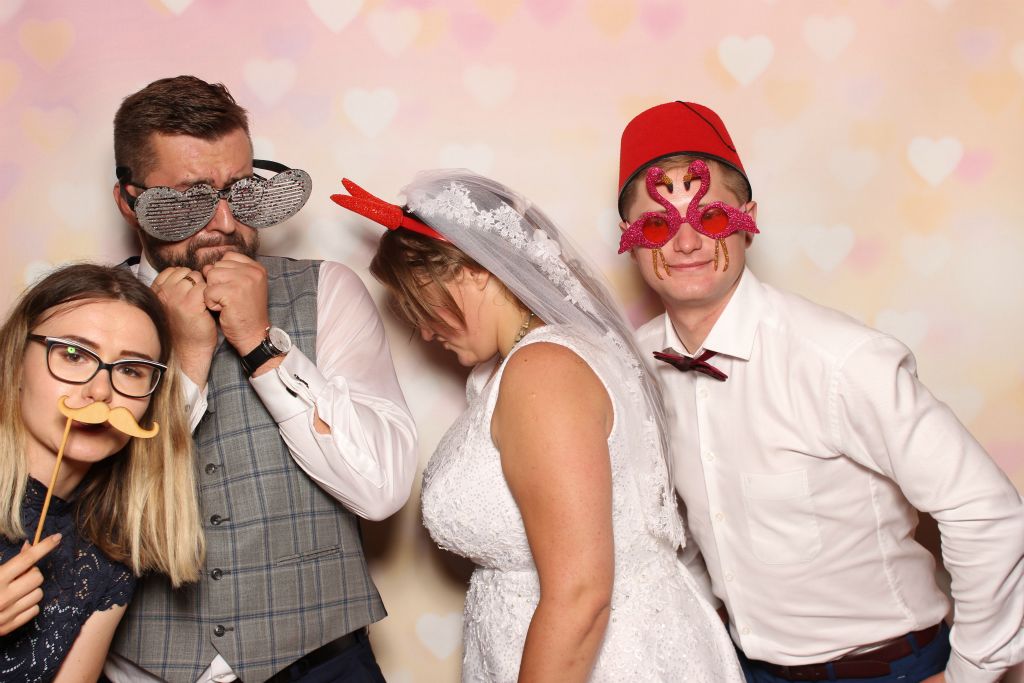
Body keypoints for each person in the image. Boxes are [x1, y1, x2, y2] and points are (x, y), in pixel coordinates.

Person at [617, 101, 1024, 683]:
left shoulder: (841, 360)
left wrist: (973, 673)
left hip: (883, 671)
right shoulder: (635, 367)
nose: (686, 244)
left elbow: (986, 511)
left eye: (710, 217)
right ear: (630, 241)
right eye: (658, 225)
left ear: (748, 219)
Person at [332, 171, 744, 682]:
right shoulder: (517, 368)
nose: (424, 330)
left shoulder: (543, 371)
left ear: (475, 272)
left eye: (421, 302)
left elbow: (581, 595)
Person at [104, 76, 418, 682]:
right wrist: (185, 361)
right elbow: (92, 508)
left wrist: (260, 345)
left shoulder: (327, 289)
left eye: (240, 192)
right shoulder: (85, 317)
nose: (225, 223)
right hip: (145, 669)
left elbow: (381, 489)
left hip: (322, 662)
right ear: (128, 201)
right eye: (190, 198)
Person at [0, 263, 205, 682]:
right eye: (73, 355)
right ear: (17, 362)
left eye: (131, 369)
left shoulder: (108, 553)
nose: (100, 391)